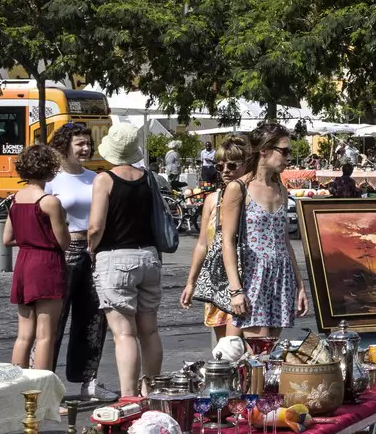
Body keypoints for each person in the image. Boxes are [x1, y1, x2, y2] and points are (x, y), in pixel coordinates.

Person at [87, 123, 165, 399]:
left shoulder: (104, 179)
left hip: (116, 258)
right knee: (150, 330)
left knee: (124, 334)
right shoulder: (148, 177)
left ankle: (129, 396)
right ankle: (151, 390)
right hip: (149, 256)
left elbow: (96, 226)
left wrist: (91, 248)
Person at [219, 124, 308, 346]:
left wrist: (300, 285)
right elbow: (227, 241)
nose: (288, 157)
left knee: (270, 354)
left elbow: (285, 240)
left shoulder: (281, 189)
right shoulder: (238, 188)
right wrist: (236, 290)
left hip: (281, 275)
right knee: (258, 353)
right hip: (253, 276)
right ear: (264, 151)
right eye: (284, 151)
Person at [45, 122, 103, 400]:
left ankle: (88, 380)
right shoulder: (51, 179)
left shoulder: (95, 178)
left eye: (88, 143)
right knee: (54, 320)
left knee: (93, 318)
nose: (86, 148)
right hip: (63, 252)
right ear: (64, 146)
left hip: (94, 251)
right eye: (79, 143)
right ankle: (47, 381)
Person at [3, 144, 71, 371]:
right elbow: (64, 242)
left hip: (24, 262)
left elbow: (7, 239)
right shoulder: (49, 202)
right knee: (45, 335)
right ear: (51, 170)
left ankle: (16, 385)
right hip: (46, 264)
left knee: (24, 335)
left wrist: (29, 238)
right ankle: (42, 393)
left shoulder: (15, 199)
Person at [179, 136, 249, 345]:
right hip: (217, 280)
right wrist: (191, 283)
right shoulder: (212, 199)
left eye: (232, 165)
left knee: (234, 347)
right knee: (223, 351)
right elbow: (202, 244)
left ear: (246, 164)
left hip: (244, 279)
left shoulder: (250, 197)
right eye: (220, 166)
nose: (225, 170)